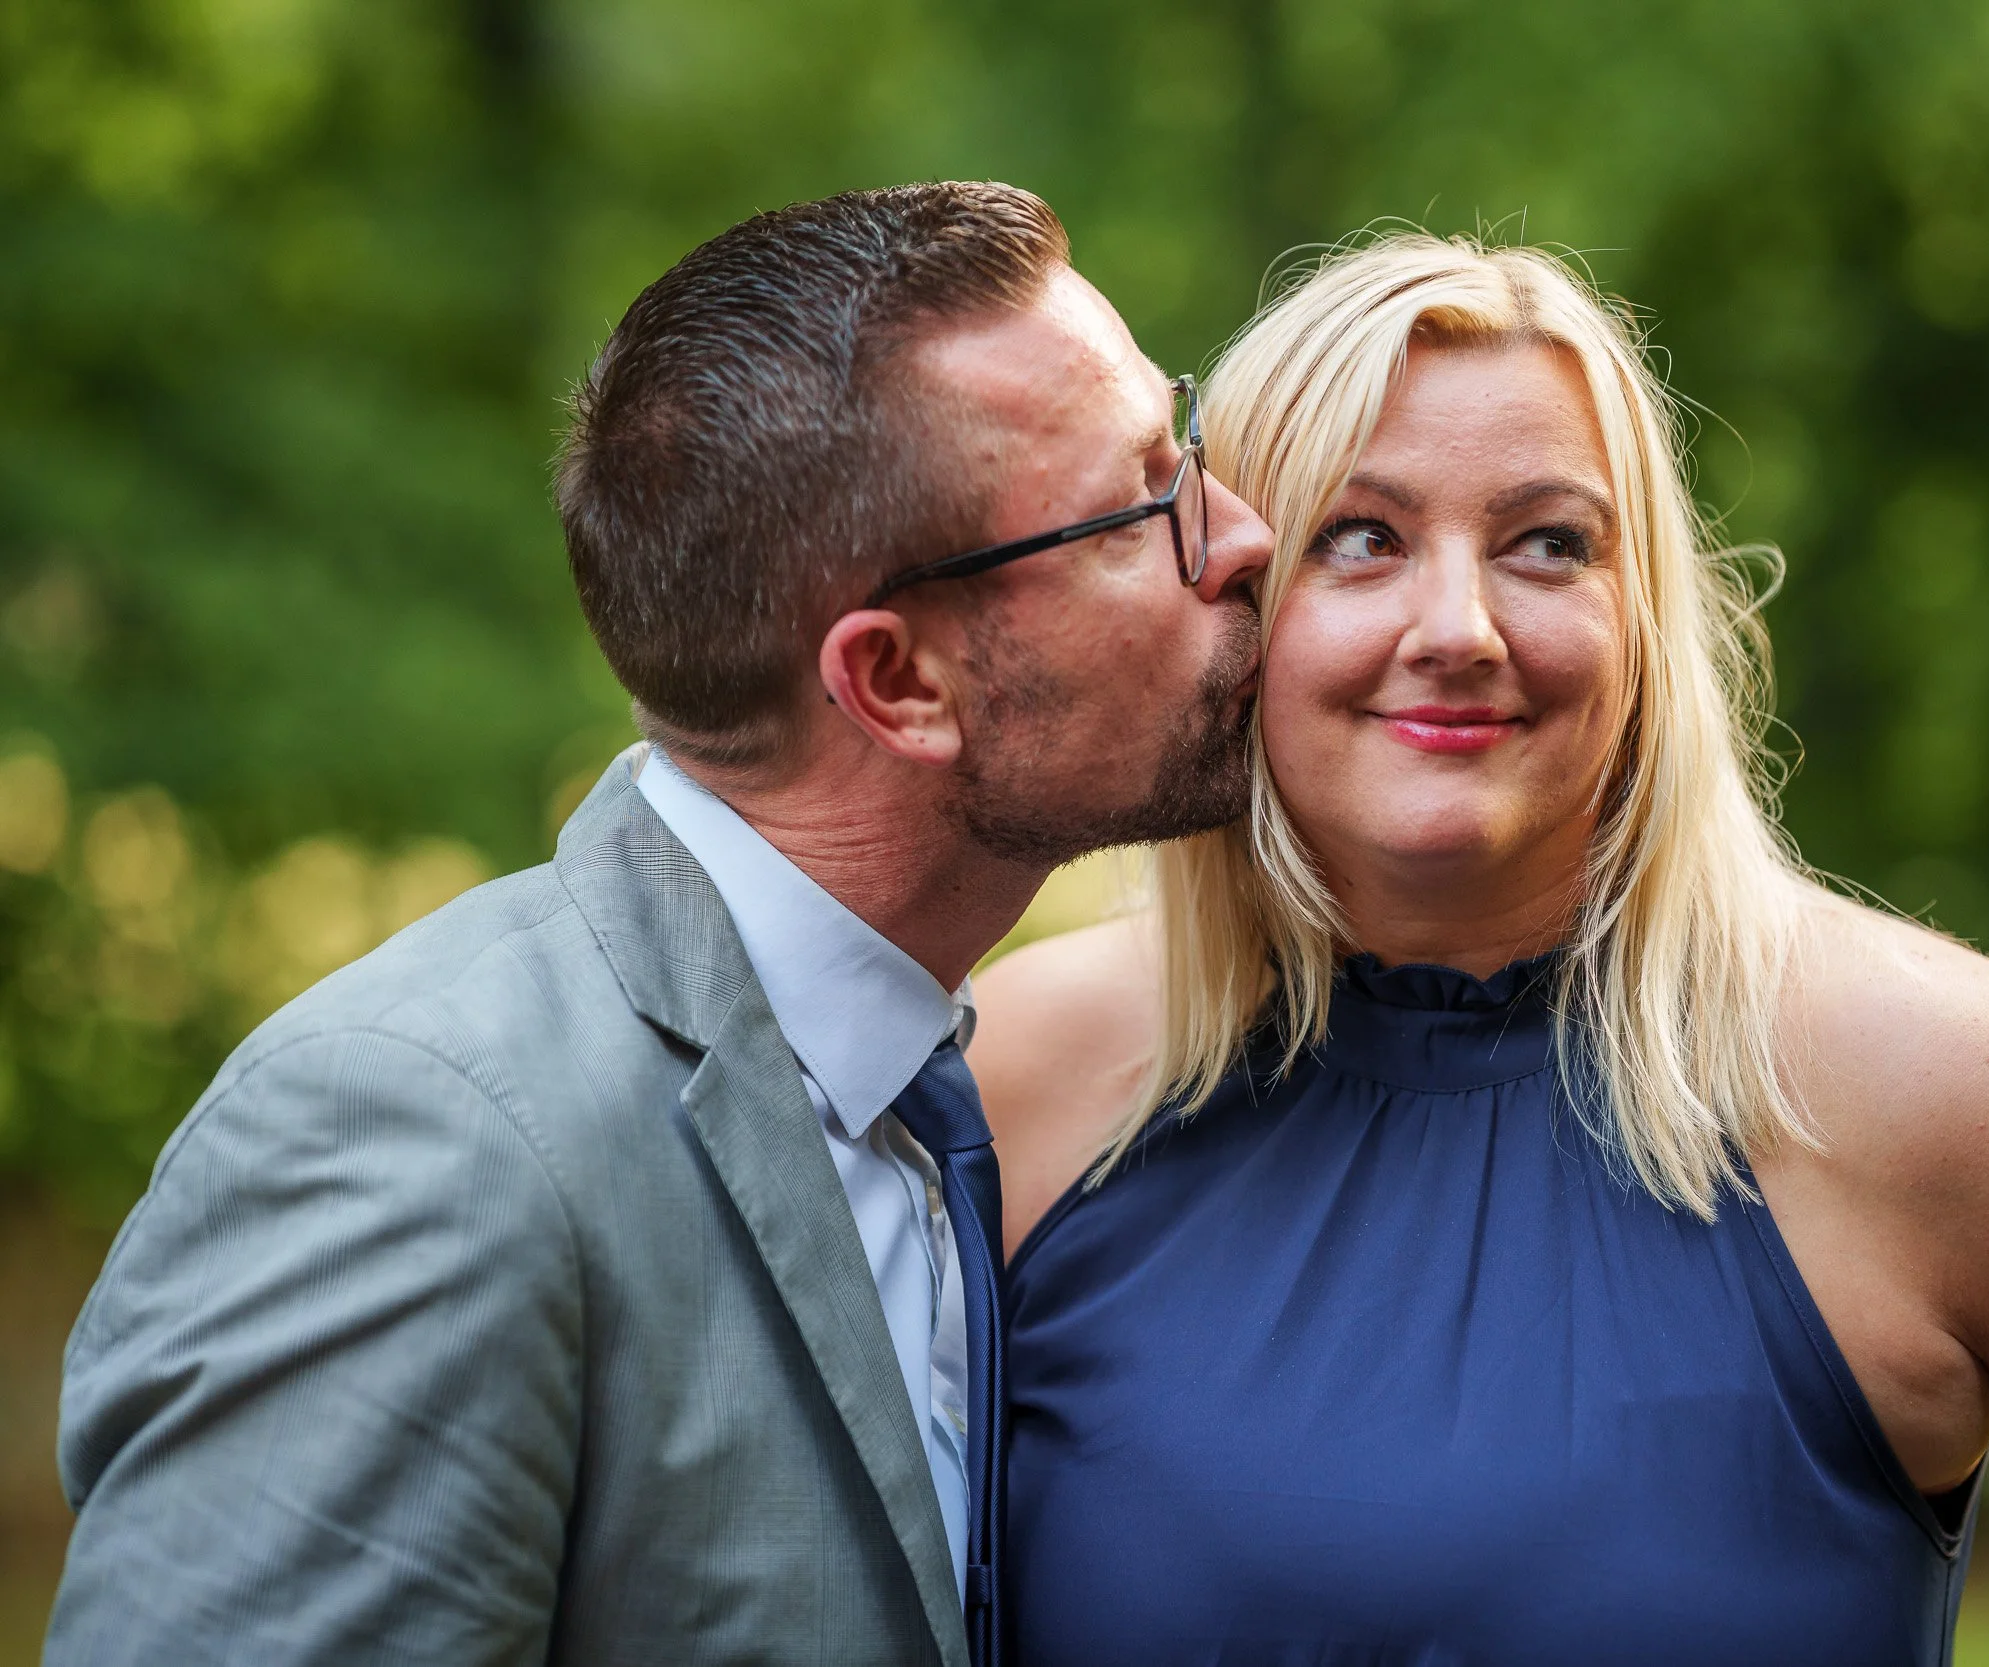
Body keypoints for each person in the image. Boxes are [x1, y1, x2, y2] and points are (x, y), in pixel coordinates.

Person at [971, 233, 1989, 1664]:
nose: (1461, 625)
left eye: (1549, 544)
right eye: (1359, 538)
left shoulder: (1900, 1081)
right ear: (1235, 594)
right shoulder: (1006, 1078)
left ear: (1648, 621)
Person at [47, 182, 1272, 1667]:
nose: (1245, 533)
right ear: (898, 684)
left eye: (1184, 443)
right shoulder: (413, 1142)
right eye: (1147, 503)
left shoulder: (924, 1100)